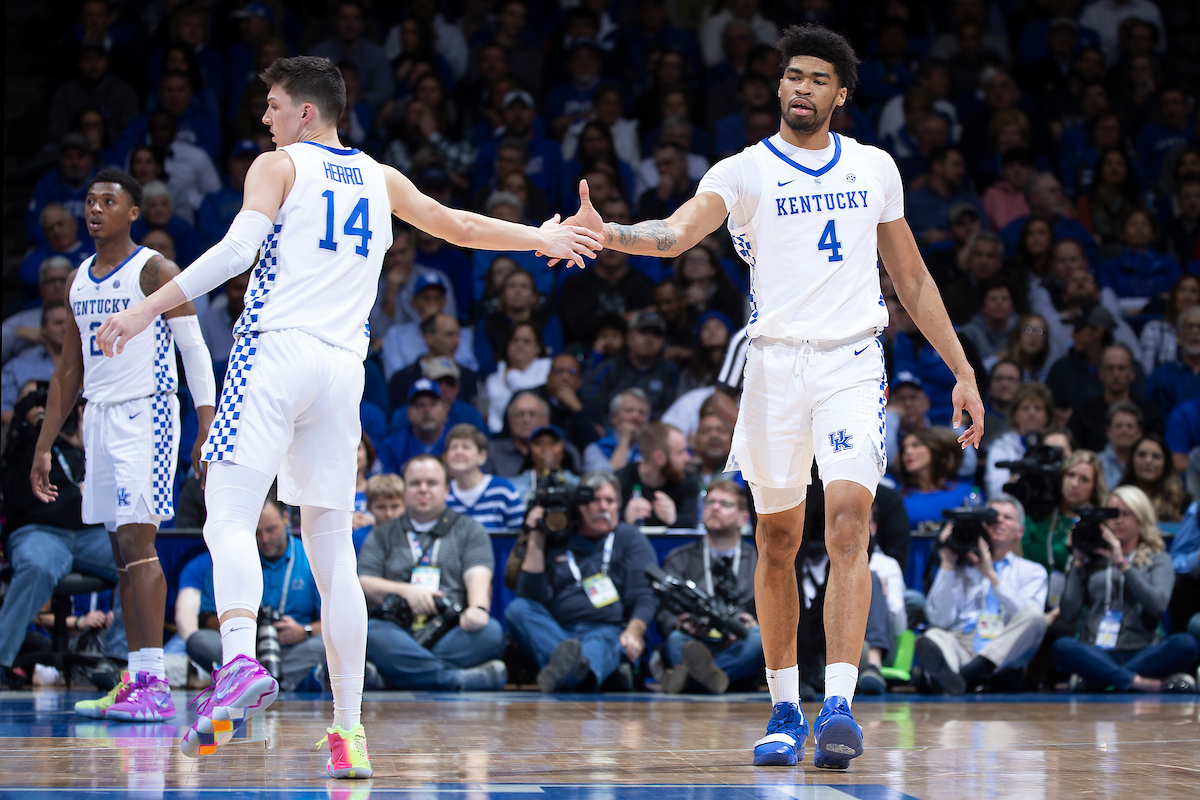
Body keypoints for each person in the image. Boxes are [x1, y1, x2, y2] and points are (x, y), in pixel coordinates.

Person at [93, 56, 599, 776]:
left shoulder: (279, 165)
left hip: (275, 352)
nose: (264, 117)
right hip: (341, 372)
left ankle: (238, 663)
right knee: (334, 556)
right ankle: (348, 733)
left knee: (227, 515)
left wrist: (146, 307)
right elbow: (457, 225)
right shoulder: (380, 177)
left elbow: (237, 251)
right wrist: (542, 238)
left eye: (273, 105)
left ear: (305, 112)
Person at [559, 24, 985, 769]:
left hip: (852, 361)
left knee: (848, 523)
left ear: (840, 95)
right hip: (774, 366)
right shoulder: (744, 171)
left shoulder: (875, 166)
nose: (801, 88)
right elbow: (676, 234)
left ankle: (840, 705)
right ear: (778, 85)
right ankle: (785, 706)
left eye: (818, 78)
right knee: (778, 539)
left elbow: (913, 280)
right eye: (793, 75)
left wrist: (963, 370)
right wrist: (613, 233)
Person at [30, 168, 216, 723]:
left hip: (148, 412)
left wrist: (206, 425)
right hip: (100, 417)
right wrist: (44, 444)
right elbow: (68, 369)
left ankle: (154, 684)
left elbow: (195, 352)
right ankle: (136, 678)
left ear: (133, 212)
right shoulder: (78, 279)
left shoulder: (155, 270)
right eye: (90, 201)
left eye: (108, 201)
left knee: (139, 543)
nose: (95, 209)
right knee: (120, 553)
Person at [0, 385, 122, 686]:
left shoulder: (89, 437)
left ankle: (117, 661)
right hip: (40, 533)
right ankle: (2, 658)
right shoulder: (25, 445)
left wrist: (82, 439)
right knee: (37, 567)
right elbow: (21, 500)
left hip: (90, 535)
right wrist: (37, 434)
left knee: (136, 561)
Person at [358, 455, 508, 691]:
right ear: (405, 490)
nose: (423, 489)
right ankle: (457, 680)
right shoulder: (383, 533)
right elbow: (365, 581)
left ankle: (392, 677)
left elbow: (478, 573)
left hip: (450, 629)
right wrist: (406, 591)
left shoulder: (470, 529)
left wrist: (478, 608)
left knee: (491, 633)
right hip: (397, 629)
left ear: (446, 489)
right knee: (368, 631)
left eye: (432, 483)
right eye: (415, 483)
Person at [505, 471, 658, 693]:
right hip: (556, 631)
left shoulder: (629, 538)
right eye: (595, 501)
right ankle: (580, 674)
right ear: (580, 506)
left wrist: (634, 632)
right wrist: (536, 536)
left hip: (605, 629)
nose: (603, 507)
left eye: (610, 501)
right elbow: (532, 596)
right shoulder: (557, 536)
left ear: (618, 505)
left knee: (605, 643)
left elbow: (644, 595)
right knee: (518, 608)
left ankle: (568, 673)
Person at [1053, 486, 1198, 693]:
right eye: (1112, 514)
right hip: (1097, 652)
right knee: (1063, 646)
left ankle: (1099, 679)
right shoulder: (1090, 558)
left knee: (1186, 644)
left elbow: (1157, 606)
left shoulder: (1158, 558)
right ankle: (1143, 683)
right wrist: (1077, 562)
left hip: (1144, 652)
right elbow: (1068, 614)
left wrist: (1123, 564)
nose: (1118, 521)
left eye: (1126, 514)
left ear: (1140, 518)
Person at [187, 495, 328, 692]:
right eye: (257, 532)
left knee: (327, 643)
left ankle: (249, 681)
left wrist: (304, 631)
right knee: (198, 640)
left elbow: (331, 618)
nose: (265, 539)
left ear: (286, 518)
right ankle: (278, 680)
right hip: (246, 647)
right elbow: (207, 617)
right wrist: (247, 625)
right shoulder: (233, 558)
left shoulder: (309, 556)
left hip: (295, 646)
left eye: (271, 530)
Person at [916, 493, 1049, 695]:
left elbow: (1025, 618)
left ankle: (961, 677)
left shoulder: (1032, 571)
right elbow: (941, 620)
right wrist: (948, 563)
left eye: (1007, 517)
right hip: (961, 642)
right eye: (992, 517)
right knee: (933, 636)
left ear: (1020, 531)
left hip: (1004, 644)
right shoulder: (962, 565)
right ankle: (959, 677)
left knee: (1035, 616)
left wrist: (991, 575)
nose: (998, 521)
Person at [657, 480, 762, 694]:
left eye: (725, 504)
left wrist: (753, 623)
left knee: (759, 639)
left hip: (739, 642)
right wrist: (680, 623)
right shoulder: (679, 558)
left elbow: (773, 610)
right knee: (676, 639)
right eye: (710, 502)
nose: (715, 508)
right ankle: (715, 678)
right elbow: (663, 613)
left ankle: (689, 679)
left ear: (743, 518)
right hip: (696, 639)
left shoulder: (759, 561)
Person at [1023, 450, 1109, 590]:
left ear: (1094, 488)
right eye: (1070, 475)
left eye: (1084, 479)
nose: (1074, 484)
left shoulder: (1097, 527)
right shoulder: (1037, 518)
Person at [1069, 344, 1163, 452]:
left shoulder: (1150, 413)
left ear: (1132, 373)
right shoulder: (1083, 412)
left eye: (1121, 368)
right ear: (1100, 373)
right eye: (1110, 368)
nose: (1116, 373)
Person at [617, 422, 701, 529]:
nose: (687, 458)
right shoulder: (621, 480)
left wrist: (674, 519)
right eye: (680, 452)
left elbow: (692, 522)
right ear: (659, 458)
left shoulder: (687, 481)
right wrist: (625, 518)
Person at [444, 423, 525, 531]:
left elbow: (520, 535)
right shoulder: (443, 494)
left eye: (466, 447)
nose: (458, 452)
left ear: (482, 456)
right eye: (453, 447)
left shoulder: (503, 490)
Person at [1, 303, 70, 426]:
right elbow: (4, 408)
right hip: (33, 433)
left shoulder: (87, 363)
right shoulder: (16, 366)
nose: (64, 328)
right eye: (58, 323)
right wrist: (26, 426)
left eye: (68, 323)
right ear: (43, 329)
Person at [895, 429, 977, 528]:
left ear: (935, 449)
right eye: (903, 449)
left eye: (916, 445)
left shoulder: (965, 493)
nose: (907, 452)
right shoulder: (896, 497)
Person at [983, 382, 1053, 499]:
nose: (1032, 413)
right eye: (1025, 408)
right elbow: (995, 492)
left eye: (1038, 408)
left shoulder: (1055, 444)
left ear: (1047, 416)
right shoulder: (1001, 446)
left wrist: (1014, 479)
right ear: (1015, 415)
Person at [483, 322, 551, 434]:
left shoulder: (549, 371)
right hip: (499, 437)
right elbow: (486, 414)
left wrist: (512, 376)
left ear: (538, 347)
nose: (520, 345)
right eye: (514, 340)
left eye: (526, 341)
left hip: (539, 434)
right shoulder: (492, 380)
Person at [3, 257, 71, 364]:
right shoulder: (18, 322)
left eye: (62, 280)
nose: (57, 285)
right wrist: (14, 333)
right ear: (41, 288)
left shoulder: (83, 316)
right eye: (51, 280)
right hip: (26, 372)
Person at [1139, 275, 1200, 375]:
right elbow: (1146, 371)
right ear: (1173, 296)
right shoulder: (1153, 329)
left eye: (1193, 291)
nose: (1187, 296)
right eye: (1182, 290)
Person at [1118, 434, 1186, 522]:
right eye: (1142, 455)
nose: (1148, 461)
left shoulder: (1182, 501)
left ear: (1166, 463)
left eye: (1156, 456)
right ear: (1131, 460)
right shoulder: (1118, 498)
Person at [1147, 305, 1200, 418]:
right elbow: (1152, 415)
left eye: (1199, 326)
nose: (1195, 331)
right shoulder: (1161, 375)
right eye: (1189, 327)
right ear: (1178, 336)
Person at [582, 387, 650, 472]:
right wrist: (625, 439)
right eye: (629, 410)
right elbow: (610, 477)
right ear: (613, 418)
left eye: (641, 412)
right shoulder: (595, 449)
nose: (636, 416)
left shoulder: (651, 450)